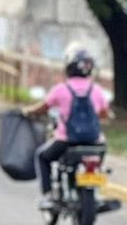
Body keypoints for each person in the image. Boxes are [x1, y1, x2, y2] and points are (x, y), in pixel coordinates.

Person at [21, 43, 111, 210]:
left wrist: (27, 111)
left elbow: (43, 107)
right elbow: (105, 113)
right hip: (95, 142)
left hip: (67, 141)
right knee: (98, 160)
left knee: (42, 156)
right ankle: (96, 190)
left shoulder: (61, 89)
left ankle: (48, 195)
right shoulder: (97, 90)